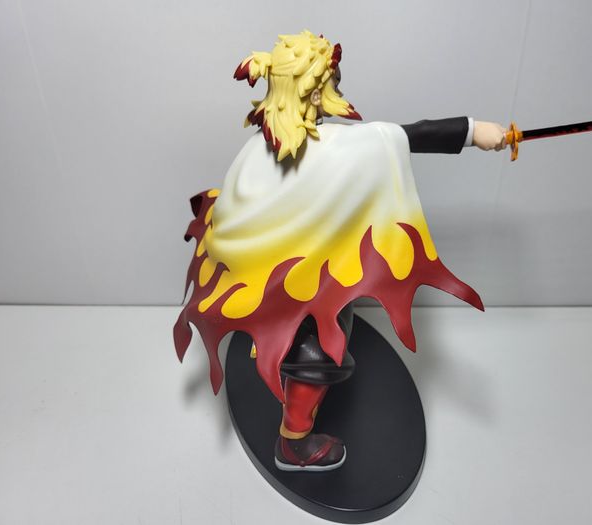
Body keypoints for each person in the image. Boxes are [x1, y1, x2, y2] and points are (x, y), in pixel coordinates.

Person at [174, 30, 507, 471]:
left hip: (268, 276)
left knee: (318, 327)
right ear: (316, 92)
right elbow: (407, 136)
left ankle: (275, 340)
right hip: (291, 282)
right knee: (318, 352)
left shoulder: (253, 150)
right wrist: (476, 131)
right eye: (333, 81)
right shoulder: (334, 148)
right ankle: (293, 444)